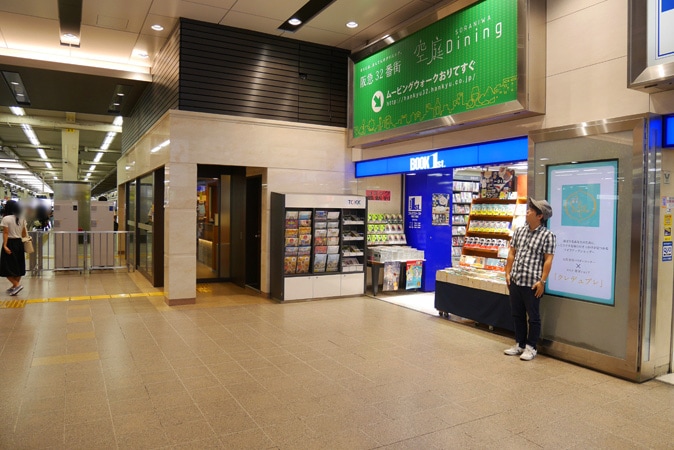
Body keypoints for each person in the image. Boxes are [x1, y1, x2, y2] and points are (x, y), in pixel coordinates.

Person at [503, 198, 556, 361]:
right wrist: (507, 272)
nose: (527, 211)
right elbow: (512, 252)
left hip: (532, 282)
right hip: (516, 280)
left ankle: (531, 347)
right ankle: (519, 343)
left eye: (531, 210)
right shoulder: (519, 231)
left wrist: (542, 281)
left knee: (533, 317)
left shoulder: (548, 236)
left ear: (540, 216)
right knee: (516, 314)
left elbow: (548, 260)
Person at [0, 200, 28, 295]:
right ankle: (14, 287)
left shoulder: (6, 219)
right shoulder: (22, 218)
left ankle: (16, 285)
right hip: (19, 243)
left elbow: (6, 233)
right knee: (19, 265)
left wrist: (4, 245)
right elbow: (24, 233)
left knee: (6, 266)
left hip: (10, 243)